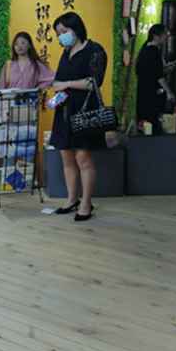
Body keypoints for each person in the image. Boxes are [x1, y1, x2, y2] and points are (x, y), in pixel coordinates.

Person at [50, 12, 108, 222]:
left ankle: (86, 203)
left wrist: (66, 84)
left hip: (85, 111)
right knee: (66, 157)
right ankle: (72, 199)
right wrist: (56, 94)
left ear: (76, 28)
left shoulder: (95, 50)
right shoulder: (66, 53)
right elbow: (58, 81)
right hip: (64, 110)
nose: (61, 36)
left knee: (83, 157)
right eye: (58, 33)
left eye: (64, 31)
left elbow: (94, 82)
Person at [136, 24, 175, 134]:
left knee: (145, 127)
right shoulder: (154, 52)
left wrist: (165, 69)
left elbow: (149, 72)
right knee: (153, 126)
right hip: (152, 96)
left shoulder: (144, 49)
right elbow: (158, 76)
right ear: (155, 36)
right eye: (164, 34)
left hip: (143, 93)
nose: (166, 37)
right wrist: (169, 92)